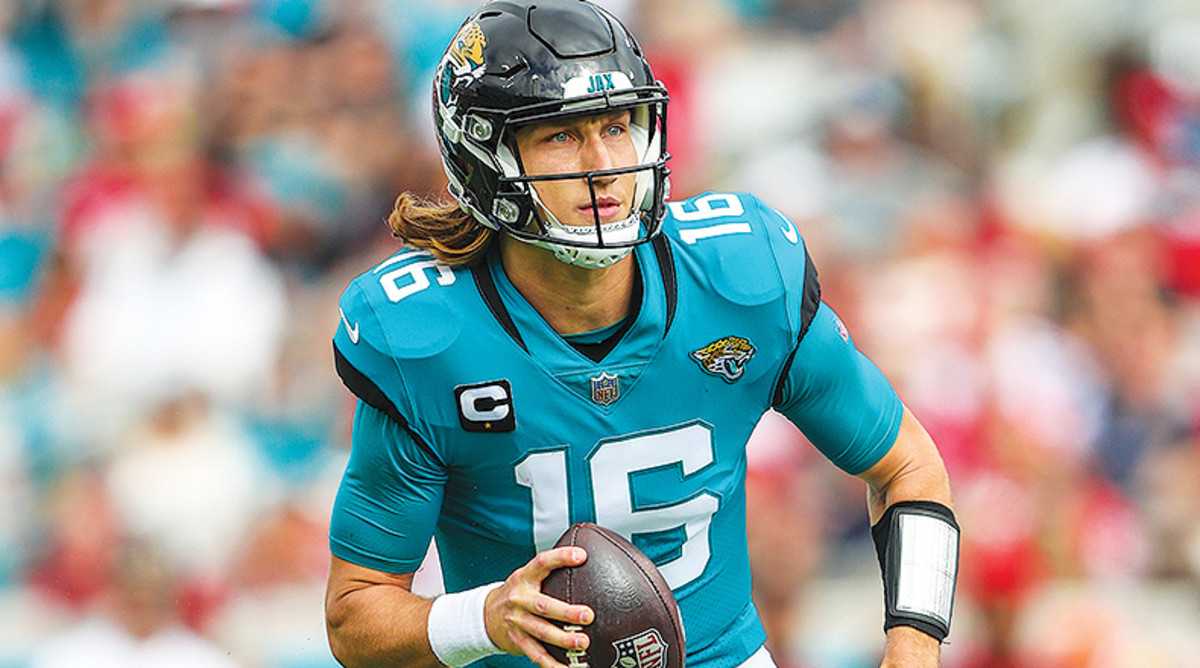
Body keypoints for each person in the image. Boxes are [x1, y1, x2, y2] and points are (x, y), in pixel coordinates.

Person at [324, 2, 959, 668]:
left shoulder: (739, 279)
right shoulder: (430, 340)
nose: (604, 165)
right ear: (483, 157)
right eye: (560, 135)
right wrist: (483, 618)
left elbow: (907, 467)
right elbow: (354, 614)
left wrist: (913, 652)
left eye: (617, 126)